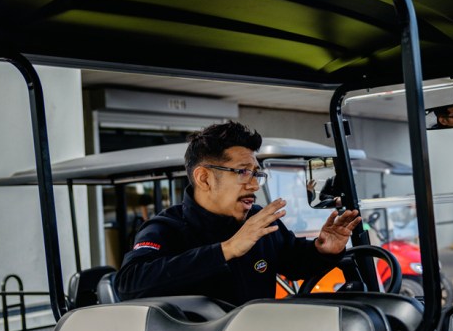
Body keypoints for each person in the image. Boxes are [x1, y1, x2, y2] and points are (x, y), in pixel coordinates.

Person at [116, 121, 361, 306]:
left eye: (257, 174)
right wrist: (227, 249)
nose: (254, 185)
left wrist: (323, 249)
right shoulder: (165, 228)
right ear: (205, 178)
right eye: (243, 172)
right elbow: (129, 284)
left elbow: (295, 262)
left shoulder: (258, 220)